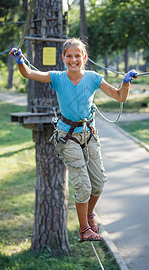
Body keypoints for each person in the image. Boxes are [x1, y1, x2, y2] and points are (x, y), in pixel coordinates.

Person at [9, 38, 138, 242]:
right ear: (63, 58)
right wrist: (19, 61)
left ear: (84, 57)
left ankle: (89, 213)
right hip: (67, 137)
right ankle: (85, 229)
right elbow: (29, 73)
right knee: (83, 187)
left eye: (77, 55)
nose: (73, 59)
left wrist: (125, 83)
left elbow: (119, 97)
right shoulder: (58, 78)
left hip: (89, 135)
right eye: (69, 56)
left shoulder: (94, 78)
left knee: (99, 184)